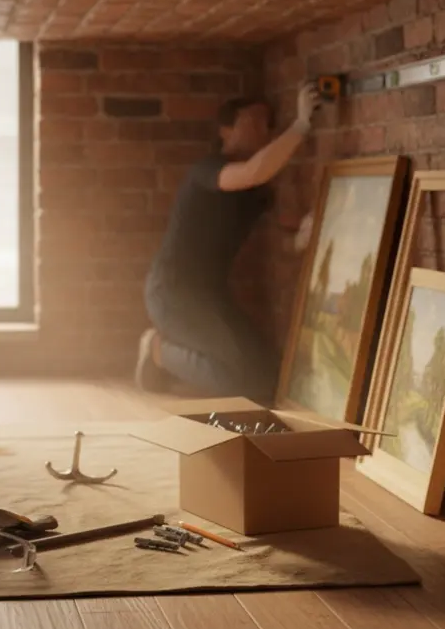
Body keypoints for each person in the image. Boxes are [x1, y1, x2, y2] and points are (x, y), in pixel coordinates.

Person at [134, 81, 320, 405]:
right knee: (248, 384)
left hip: (210, 296)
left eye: (267, 123)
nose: (263, 129)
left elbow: (285, 231)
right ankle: (157, 350)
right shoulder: (209, 170)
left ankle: (169, 355)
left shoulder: (257, 193)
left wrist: (306, 234)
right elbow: (252, 171)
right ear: (225, 130)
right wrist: (302, 124)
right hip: (173, 293)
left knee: (267, 376)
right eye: (253, 121)